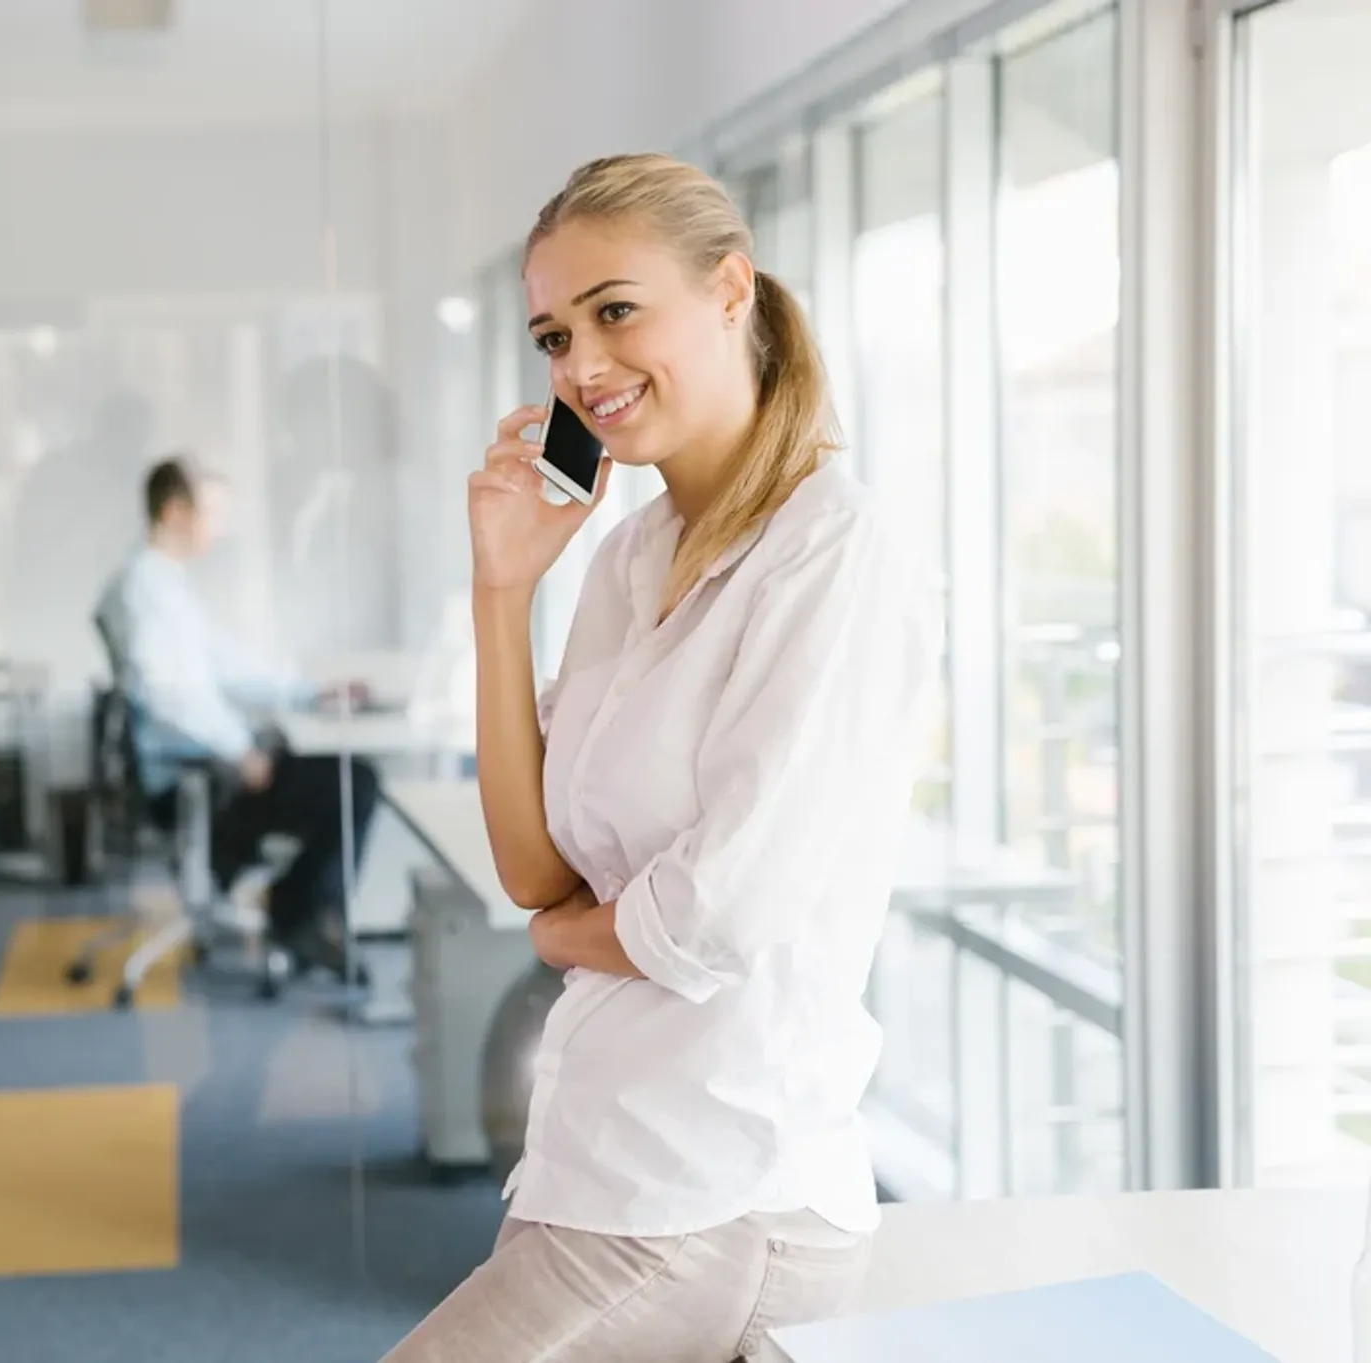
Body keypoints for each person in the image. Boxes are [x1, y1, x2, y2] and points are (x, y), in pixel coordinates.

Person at [382, 154, 940, 1361]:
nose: (579, 365)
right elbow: (534, 864)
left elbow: (711, 917)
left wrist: (563, 940)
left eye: (613, 310)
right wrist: (502, 589)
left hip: (719, 1189)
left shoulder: (832, 553)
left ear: (728, 289)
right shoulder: (632, 556)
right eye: (549, 335)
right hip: (597, 1162)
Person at [94, 454, 379, 980]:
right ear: (178, 511)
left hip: (199, 770)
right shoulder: (148, 592)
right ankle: (300, 915)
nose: (219, 529)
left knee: (324, 770)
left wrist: (308, 692)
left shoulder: (161, 585)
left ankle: (288, 905)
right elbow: (170, 695)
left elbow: (226, 666)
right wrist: (239, 749)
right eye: (213, 514)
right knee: (352, 782)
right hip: (195, 778)